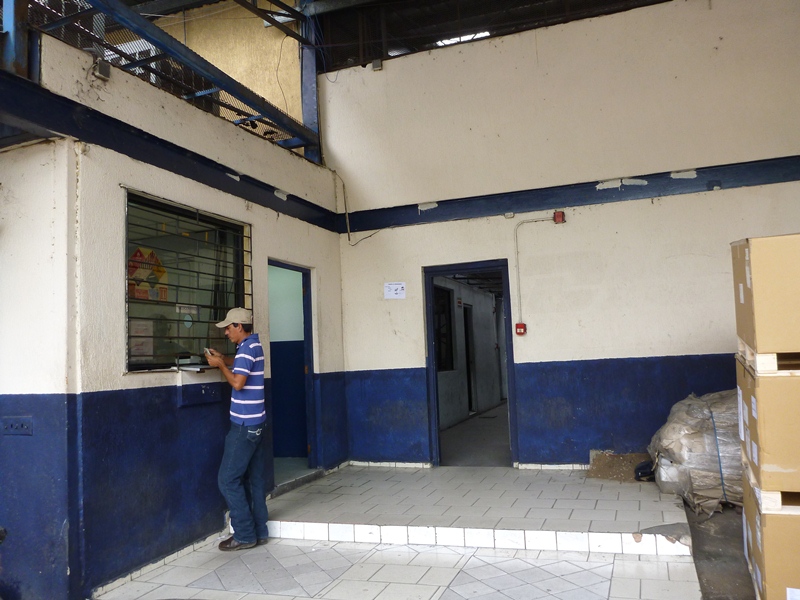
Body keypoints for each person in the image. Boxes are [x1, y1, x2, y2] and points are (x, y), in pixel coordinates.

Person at [205, 307, 269, 551]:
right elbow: (243, 365)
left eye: (228, 328)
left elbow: (238, 383)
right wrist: (224, 359)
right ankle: (259, 531)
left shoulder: (246, 349)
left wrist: (220, 366)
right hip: (257, 423)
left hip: (243, 426)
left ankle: (244, 534)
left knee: (227, 480)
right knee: (254, 479)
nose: (226, 333)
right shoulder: (253, 345)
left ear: (239, 326)